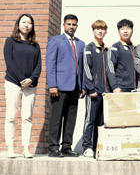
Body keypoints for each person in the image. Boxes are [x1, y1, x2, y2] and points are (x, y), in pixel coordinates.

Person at [46, 14, 86, 157]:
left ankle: (66, 147)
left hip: (75, 87)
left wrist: (82, 86)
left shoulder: (81, 44)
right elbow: (50, 64)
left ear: (77, 26)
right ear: (64, 25)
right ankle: (53, 147)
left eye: (74, 24)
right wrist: (52, 85)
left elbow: (80, 67)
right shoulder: (55, 40)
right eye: (69, 24)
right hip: (59, 86)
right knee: (57, 117)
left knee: (71, 118)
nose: (71, 27)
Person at [3, 14, 41, 159]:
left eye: (29, 23)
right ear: (18, 24)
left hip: (30, 85)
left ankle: (26, 148)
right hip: (13, 82)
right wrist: (21, 79)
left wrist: (31, 79)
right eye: (24, 22)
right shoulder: (10, 41)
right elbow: (9, 62)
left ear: (32, 26)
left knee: (27, 117)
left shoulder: (35, 45)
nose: (26, 25)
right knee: (11, 116)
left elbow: (38, 65)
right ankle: (10, 148)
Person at [82, 20, 111, 158]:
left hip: (104, 92)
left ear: (105, 31)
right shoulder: (89, 48)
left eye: (102, 29)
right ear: (93, 31)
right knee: (90, 120)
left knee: (101, 121)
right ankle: (87, 146)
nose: (100, 31)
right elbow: (86, 69)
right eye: (97, 29)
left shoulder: (107, 50)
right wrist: (91, 88)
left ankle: (96, 146)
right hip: (93, 92)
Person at [107, 19, 137, 92]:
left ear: (132, 31)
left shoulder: (136, 48)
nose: (125, 31)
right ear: (118, 31)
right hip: (120, 88)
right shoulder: (115, 47)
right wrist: (114, 86)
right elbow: (110, 68)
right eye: (122, 29)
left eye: (128, 29)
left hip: (135, 87)